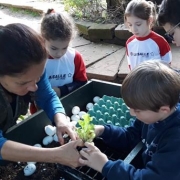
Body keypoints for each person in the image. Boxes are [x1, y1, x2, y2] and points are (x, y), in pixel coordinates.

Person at [79, 60, 180, 180]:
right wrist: (103, 130)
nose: (132, 113)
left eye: (137, 110)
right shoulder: (153, 115)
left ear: (164, 110)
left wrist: (105, 166)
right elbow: (131, 136)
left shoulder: (175, 140)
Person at [0, 23, 83, 167]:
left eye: (38, 77)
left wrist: (60, 119)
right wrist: (56, 155)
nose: (34, 87)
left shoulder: (34, 69)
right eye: (23, 83)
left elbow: (47, 96)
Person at [41, 9, 88, 98]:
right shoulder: (35, 59)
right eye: (54, 48)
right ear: (43, 39)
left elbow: (82, 82)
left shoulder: (74, 57)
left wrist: (62, 90)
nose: (59, 53)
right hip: (40, 109)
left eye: (64, 48)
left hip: (69, 105)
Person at [125, 0, 172, 70]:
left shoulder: (160, 41)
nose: (133, 29)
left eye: (138, 24)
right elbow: (130, 64)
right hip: (137, 79)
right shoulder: (129, 43)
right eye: (130, 24)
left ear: (150, 20)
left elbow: (167, 64)